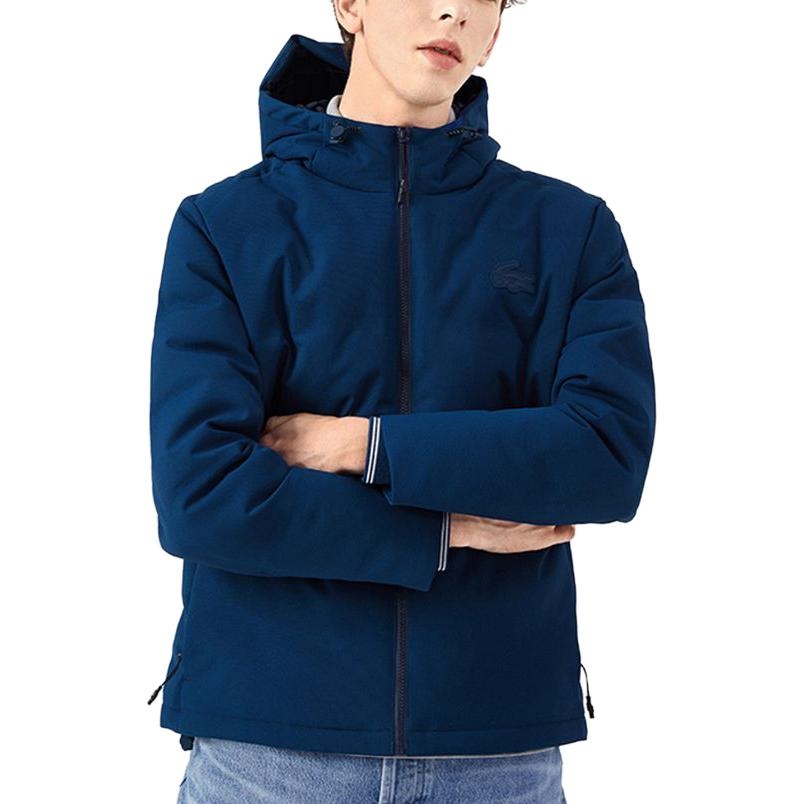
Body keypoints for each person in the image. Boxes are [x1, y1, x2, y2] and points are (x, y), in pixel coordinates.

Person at [147, 2, 656, 802]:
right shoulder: (225, 226)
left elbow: (604, 460)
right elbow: (204, 499)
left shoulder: (571, 230)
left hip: (498, 753)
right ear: (350, 4)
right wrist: (446, 530)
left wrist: (362, 444)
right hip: (271, 750)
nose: (453, 9)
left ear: (496, 31)